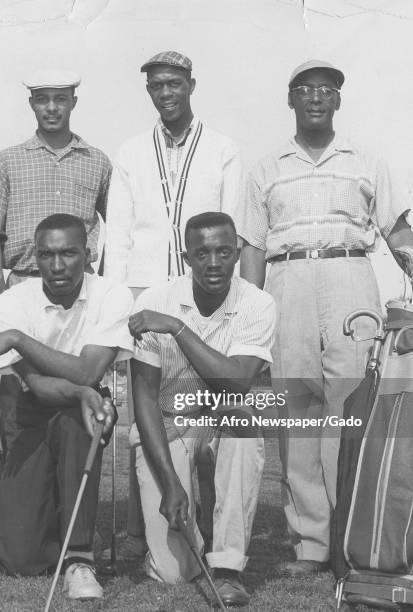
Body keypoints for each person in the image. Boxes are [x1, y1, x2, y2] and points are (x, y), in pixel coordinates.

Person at [238, 60, 413, 575]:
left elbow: (397, 234)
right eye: (305, 90)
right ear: (290, 99)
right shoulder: (266, 168)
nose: (316, 97)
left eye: (327, 90)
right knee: (297, 410)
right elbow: (251, 247)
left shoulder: (366, 160)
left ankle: (351, 532)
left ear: (338, 100)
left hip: (350, 277)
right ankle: (310, 541)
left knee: (350, 402)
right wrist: (249, 311)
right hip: (285, 280)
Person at [104, 50, 243, 556]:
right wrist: (118, 307)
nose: (166, 93)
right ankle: (144, 526)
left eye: (174, 84)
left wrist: (231, 299)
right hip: (144, 292)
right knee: (146, 412)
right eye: (156, 86)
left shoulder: (223, 147)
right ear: (149, 92)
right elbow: (116, 234)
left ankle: (207, 520)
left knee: (204, 413)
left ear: (191, 85)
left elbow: (232, 234)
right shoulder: (131, 150)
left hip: (200, 292)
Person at [0, 214, 133, 599]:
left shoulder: (113, 295)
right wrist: (78, 390)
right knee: (19, 560)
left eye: (69, 253)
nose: (58, 266)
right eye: (47, 255)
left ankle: (80, 557)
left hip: (86, 408)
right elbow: (37, 385)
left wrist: (18, 339)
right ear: (35, 258)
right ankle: (62, 526)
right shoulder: (10, 303)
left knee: (79, 420)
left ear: (87, 254)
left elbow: (90, 371)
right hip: (31, 406)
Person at [128, 212, 275, 606]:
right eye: (203, 253)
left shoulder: (258, 302)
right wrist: (171, 484)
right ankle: (189, 534)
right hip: (168, 420)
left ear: (238, 253)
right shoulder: (153, 299)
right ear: (185, 256)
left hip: (223, 416)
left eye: (224, 252)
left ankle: (228, 567)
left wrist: (178, 327)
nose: (214, 263)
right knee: (174, 573)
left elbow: (237, 382)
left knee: (243, 422)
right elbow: (143, 400)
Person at [0, 71, 112, 292]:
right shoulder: (8, 160)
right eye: (42, 99)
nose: (51, 108)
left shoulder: (97, 161)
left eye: (60, 99)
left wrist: (107, 278)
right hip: (23, 283)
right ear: (31, 104)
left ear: (73, 102)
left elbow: (118, 227)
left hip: (81, 284)